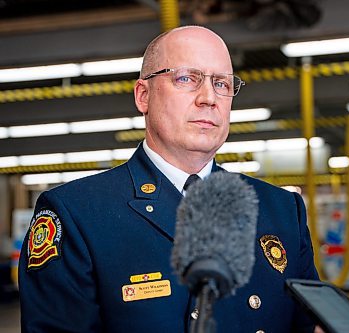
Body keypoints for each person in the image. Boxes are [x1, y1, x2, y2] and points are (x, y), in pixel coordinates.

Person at [18, 26, 319, 333]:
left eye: (221, 83)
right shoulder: (77, 214)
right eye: (186, 78)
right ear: (143, 95)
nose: (208, 98)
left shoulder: (282, 209)